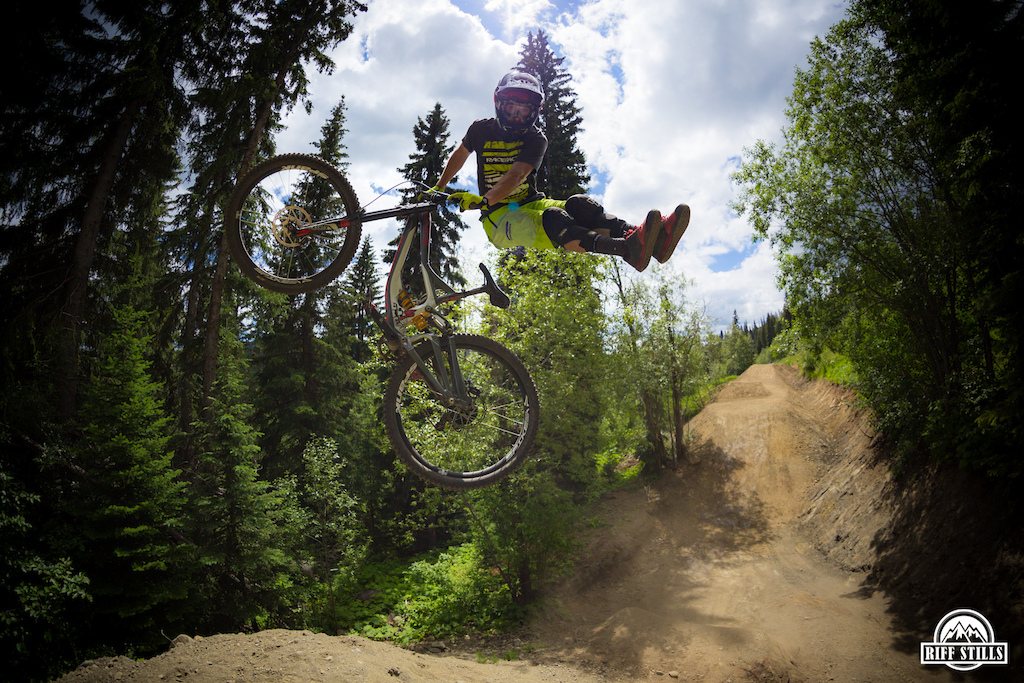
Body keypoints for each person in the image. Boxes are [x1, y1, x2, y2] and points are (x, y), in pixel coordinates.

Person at [430, 71, 689, 272]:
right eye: (512, 108)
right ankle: (625, 249)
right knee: (555, 219)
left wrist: (485, 198)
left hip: (530, 202)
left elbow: (516, 175)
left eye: (525, 111)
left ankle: (653, 240)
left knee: (581, 206)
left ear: (535, 112)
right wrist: (440, 187)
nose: (518, 116)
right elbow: (461, 154)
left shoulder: (536, 138)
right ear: (499, 103)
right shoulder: (480, 130)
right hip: (498, 219)